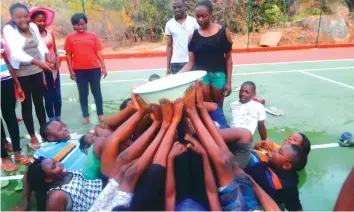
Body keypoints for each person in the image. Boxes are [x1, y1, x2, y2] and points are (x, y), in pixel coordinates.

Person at [183, 84, 280, 211]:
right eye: (242, 91)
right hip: (250, 200)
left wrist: (204, 156)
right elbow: (272, 206)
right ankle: (197, 109)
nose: (243, 94)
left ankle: (191, 113)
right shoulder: (235, 105)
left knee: (223, 161)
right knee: (227, 158)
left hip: (239, 208)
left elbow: (212, 195)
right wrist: (248, 178)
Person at [3, 3, 54, 150]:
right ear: (13, 18)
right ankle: (32, 135)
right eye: (18, 17)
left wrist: (49, 58)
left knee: (40, 103)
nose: (23, 19)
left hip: (36, 71)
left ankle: (45, 132)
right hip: (22, 73)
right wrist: (39, 62)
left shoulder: (33, 27)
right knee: (27, 104)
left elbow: (40, 46)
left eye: (25, 16)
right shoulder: (9, 29)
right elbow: (15, 53)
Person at [179, 0, 233, 108]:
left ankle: (219, 124)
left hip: (219, 75)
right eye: (197, 16)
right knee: (206, 107)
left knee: (218, 107)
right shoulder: (193, 37)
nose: (200, 19)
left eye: (204, 16)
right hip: (202, 77)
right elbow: (190, 63)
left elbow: (228, 59)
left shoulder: (223, 33)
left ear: (211, 14)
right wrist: (176, 76)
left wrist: (228, 82)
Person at [65, 13, 107, 125]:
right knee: (83, 94)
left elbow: (98, 51)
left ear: (85, 24)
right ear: (74, 25)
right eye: (77, 25)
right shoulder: (70, 38)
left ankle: (100, 114)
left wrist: (103, 66)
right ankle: (85, 115)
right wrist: (70, 70)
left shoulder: (93, 36)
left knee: (97, 92)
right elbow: (68, 55)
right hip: (79, 70)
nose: (80, 27)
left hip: (94, 69)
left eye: (82, 24)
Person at [245, 143, 308, 211]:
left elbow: (296, 209)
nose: (274, 149)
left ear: (286, 165)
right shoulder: (272, 163)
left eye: (280, 152)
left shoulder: (286, 184)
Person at [1, 37, 30, 172]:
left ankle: (17, 152)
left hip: (5, 81)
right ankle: (4, 157)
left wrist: (17, 84)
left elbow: (6, 61)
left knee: (11, 117)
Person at [30, 7, 62, 121]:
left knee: (57, 96)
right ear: (32, 21)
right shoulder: (30, 36)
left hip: (53, 69)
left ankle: (58, 118)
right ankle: (51, 120)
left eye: (43, 20)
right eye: (39, 20)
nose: (42, 23)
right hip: (41, 71)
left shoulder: (49, 32)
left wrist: (58, 60)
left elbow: (55, 50)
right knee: (47, 97)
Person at [165, 0, 199, 75]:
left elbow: (199, 42)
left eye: (179, 7)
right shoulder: (169, 24)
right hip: (175, 62)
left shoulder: (194, 22)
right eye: (175, 7)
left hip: (191, 61)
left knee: (192, 86)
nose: (177, 9)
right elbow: (169, 46)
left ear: (185, 6)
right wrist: (168, 67)